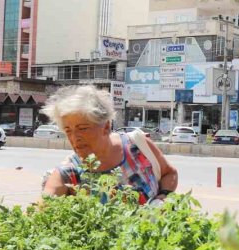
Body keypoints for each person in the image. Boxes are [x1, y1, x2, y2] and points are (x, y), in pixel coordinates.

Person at [41, 85, 178, 204]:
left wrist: (163, 197)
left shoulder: (137, 146)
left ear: (106, 127)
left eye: (82, 128)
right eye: (68, 130)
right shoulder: (67, 174)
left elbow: (169, 173)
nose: (74, 138)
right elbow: (41, 213)